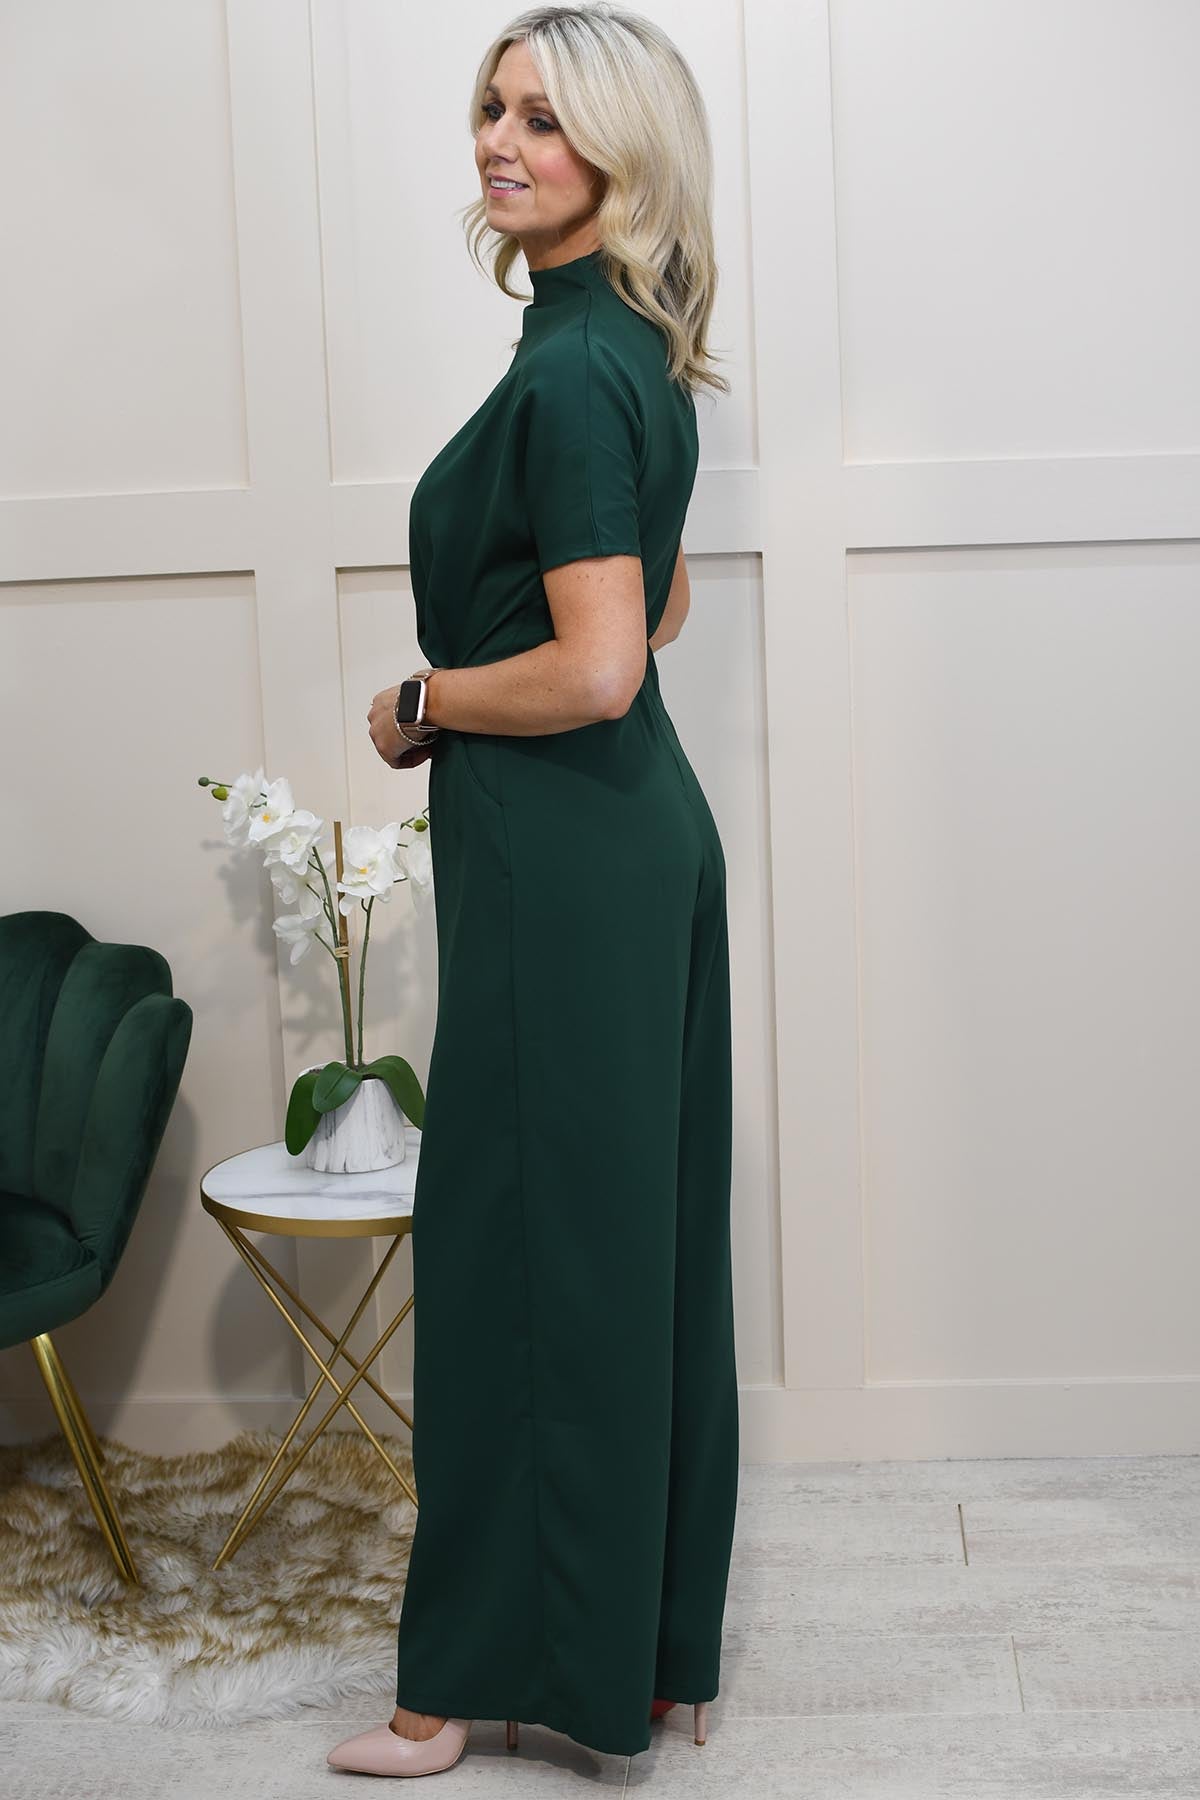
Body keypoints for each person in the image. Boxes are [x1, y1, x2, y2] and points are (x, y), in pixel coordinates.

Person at [328, 1, 738, 1778]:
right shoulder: (630, 349)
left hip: (566, 855)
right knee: (627, 1248)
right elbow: (660, 604)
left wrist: (423, 702)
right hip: (628, 842)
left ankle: (456, 1686)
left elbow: (599, 666)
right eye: (494, 108)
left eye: (546, 120)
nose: (501, 142)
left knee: (514, 1256)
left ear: (620, 155)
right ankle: (641, 1657)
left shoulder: (572, 371)